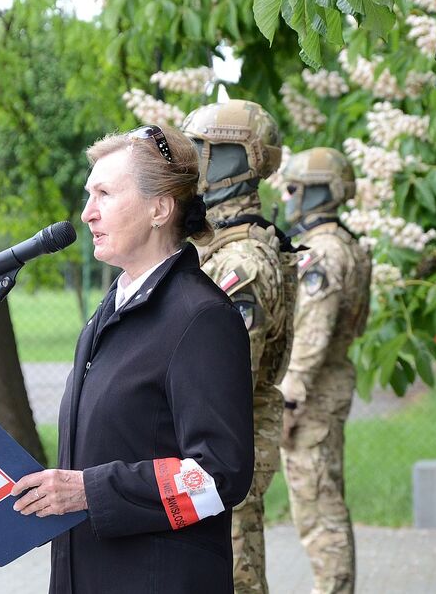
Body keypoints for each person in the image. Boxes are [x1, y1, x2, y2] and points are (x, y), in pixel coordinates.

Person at [11, 124, 255, 594]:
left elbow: (219, 473)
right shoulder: (111, 308)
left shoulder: (201, 317)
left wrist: (89, 491)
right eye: (88, 195)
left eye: (104, 194)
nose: (86, 214)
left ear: (159, 208)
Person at [181, 99, 297, 594]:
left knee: (235, 578)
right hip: (217, 457)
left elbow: (225, 384)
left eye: (204, 150)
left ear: (239, 158)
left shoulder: (241, 263)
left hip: (224, 459)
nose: (193, 162)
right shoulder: (223, 244)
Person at [278, 147, 371, 594]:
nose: (288, 197)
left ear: (320, 192)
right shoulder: (344, 243)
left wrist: (290, 397)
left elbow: (313, 331)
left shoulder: (324, 252)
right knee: (320, 497)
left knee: (319, 508)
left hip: (312, 394)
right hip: (328, 385)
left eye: (295, 188)